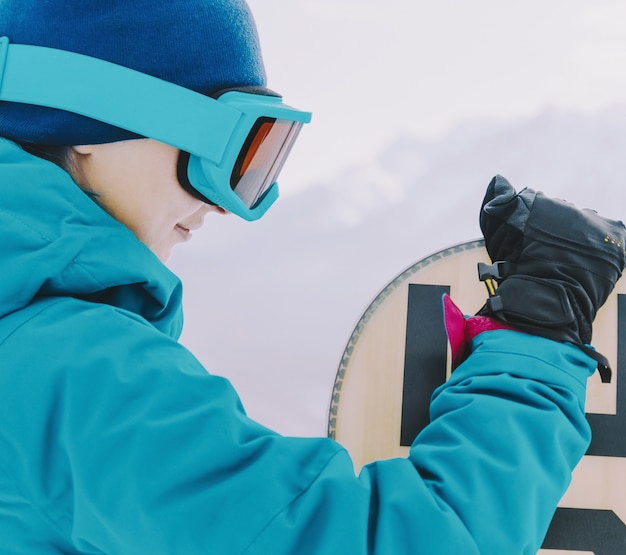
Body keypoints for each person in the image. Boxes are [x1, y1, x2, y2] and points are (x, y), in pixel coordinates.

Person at [0, 1, 623, 554]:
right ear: (87, 125)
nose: (226, 204)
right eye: (225, 155)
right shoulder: (68, 372)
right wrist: (539, 330)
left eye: (260, 161)